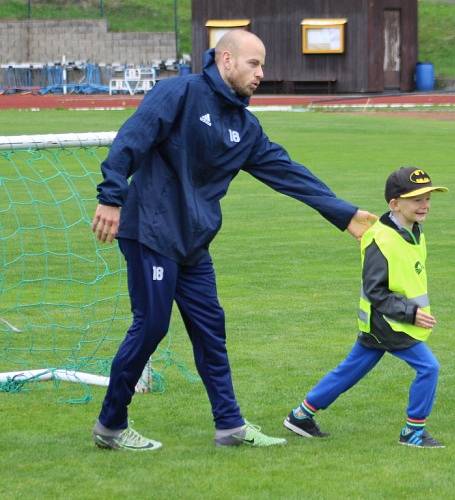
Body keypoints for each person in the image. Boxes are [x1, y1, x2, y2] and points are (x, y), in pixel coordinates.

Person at [90, 29, 377, 450]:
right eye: (254, 64)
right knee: (151, 327)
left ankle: (230, 426)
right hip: (150, 230)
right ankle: (111, 426)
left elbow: (287, 172)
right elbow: (130, 141)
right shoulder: (178, 93)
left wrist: (344, 213)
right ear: (226, 60)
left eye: (262, 65)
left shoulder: (244, 126)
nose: (261, 73)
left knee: (211, 331)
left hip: (193, 243)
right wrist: (111, 197)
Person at [284, 166, 448, 448]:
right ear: (394, 204)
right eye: (417, 199)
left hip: (388, 321)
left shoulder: (414, 231)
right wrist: (410, 313)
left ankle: (301, 415)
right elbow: (375, 291)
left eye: (428, 198)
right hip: (389, 322)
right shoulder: (380, 239)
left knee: (351, 370)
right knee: (429, 368)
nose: (425, 205)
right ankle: (413, 433)